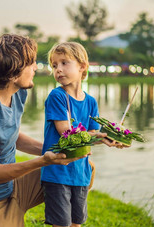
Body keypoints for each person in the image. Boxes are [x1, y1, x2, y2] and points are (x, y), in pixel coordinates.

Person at [0, 34, 93, 227]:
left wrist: (57, 152)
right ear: (13, 71)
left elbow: (12, 136)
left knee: (82, 169)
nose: (36, 67)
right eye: (31, 63)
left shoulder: (18, 91)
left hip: (14, 189)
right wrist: (44, 160)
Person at [41, 42, 121, 227]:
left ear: (82, 66)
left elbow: (92, 135)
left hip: (80, 173)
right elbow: (67, 134)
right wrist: (98, 136)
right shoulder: (57, 96)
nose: (58, 69)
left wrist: (109, 138)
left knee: (76, 223)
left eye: (64, 63)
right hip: (58, 172)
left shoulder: (91, 101)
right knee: (61, 223)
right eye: (54, 65)